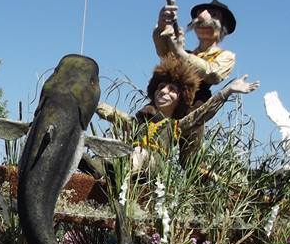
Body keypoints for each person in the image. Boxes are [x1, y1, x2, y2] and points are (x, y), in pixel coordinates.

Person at [97, 56, 259, 167]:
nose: (164, 91)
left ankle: (119, 168)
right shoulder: (139, 122)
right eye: (161, 87)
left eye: (172, 89)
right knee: (108, 151)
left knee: (138, 154)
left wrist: (228, 91)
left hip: (153, 166)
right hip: (129, 157)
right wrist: (92, 103)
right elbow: (115, 114)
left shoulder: (176, 126)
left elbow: (202, 113)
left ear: (181, 98)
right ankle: (99, 167)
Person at [153, 0, 237, 105]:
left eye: (214, 14)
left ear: (224, 27)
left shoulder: (226, 56)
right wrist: (162, 26)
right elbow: (164, 53)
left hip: (192, 106)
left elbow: (213, 75)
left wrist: (181, 53)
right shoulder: (187, 53)